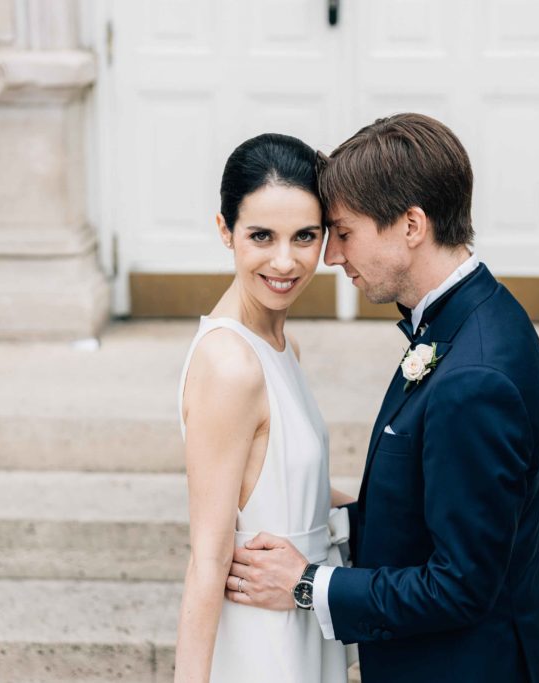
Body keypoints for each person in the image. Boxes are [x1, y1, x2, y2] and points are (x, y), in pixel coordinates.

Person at [225, 113, 539, 683]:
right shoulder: (468, 317)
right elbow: (434, 507)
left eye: (344, 232)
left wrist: (307, 584)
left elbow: (460, 586)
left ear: (411, 225)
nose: (330, 256)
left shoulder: (474, 376)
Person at [175, 133, 357, 683]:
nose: (286, 261)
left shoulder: (282, 345)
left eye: (305, 236)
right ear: (225, 231)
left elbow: (282, 484)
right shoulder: (230, 365)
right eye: (261, 236)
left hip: (303, 610)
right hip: (261, 640)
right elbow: (207, 556)